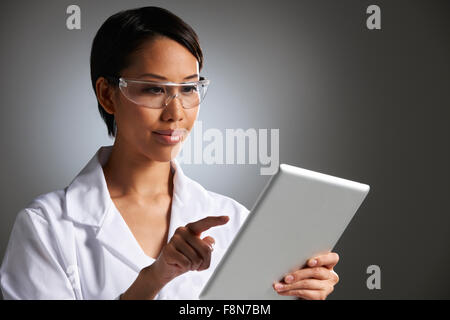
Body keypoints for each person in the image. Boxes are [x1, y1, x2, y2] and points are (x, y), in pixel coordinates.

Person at [0, 6, 339, 300]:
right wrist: (153, 279)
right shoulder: (47, 228)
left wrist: (298, 292)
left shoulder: (234, 222)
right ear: (107, 95)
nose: (176, 112)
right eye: (154, 89)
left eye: (189, 88)